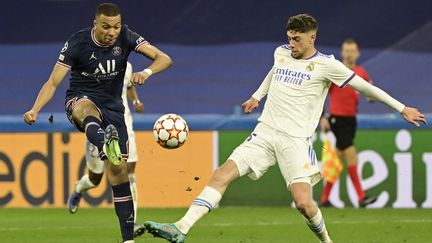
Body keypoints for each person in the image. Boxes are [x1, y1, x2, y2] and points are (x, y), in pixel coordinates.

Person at [143, 14, 427, 243]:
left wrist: (402, 108)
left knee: (303, 203)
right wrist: (257, 96)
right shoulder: (281, 53)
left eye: (297, 38)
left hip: (295, 142)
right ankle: (181, 228)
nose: (291, 43)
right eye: (289, 37)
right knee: (221, 174)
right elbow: (274, 71)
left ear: (312, 37)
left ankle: (326, 240)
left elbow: (365, 87)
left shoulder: (327, 66)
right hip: (264, 133)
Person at [23, 3, 172, 243]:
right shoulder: (77, 43)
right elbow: (53, 82)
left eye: (115, 27)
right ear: (95, 24)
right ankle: (105, 142)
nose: (111, 32)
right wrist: (35, 109)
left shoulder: (126, 36)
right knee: (87, 109)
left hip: (114, 112)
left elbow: (164, 58)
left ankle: (128, 240)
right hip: (80, 101)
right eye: (105, 27)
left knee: (117, 175)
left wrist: (147, 73)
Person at [67, 62, 147, 237]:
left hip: (124, 125)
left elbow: (128, 86)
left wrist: (136, 101)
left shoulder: (127, 65)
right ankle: (80, 187)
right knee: (95, 178)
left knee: (129, 171)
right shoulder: (92, 63)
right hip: (100, 127)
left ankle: (131, 222)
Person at [319, 39, 377, 207]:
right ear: (342, 52)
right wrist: (322, 117)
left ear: (357, 53)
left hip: (351, 120)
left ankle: (324, 198)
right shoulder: (337, 71)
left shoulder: (362, 72)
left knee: (337, 160)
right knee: (351, 155)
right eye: (347, 50)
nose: (349, 53)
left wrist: (371, 96)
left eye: (352, 51)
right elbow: (320, 94)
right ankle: (361, 197)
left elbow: (369, 94)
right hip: (337, 119)